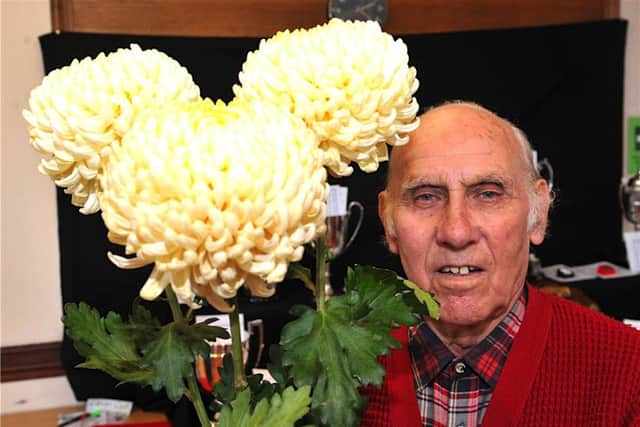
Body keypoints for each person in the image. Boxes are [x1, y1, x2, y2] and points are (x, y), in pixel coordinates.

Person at [360, 101, 640, 427]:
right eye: (426, 196)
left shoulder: (629, 372)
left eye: (488, 194)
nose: (456, 231)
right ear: (388, 219)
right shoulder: (329, 364)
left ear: (538, 214)